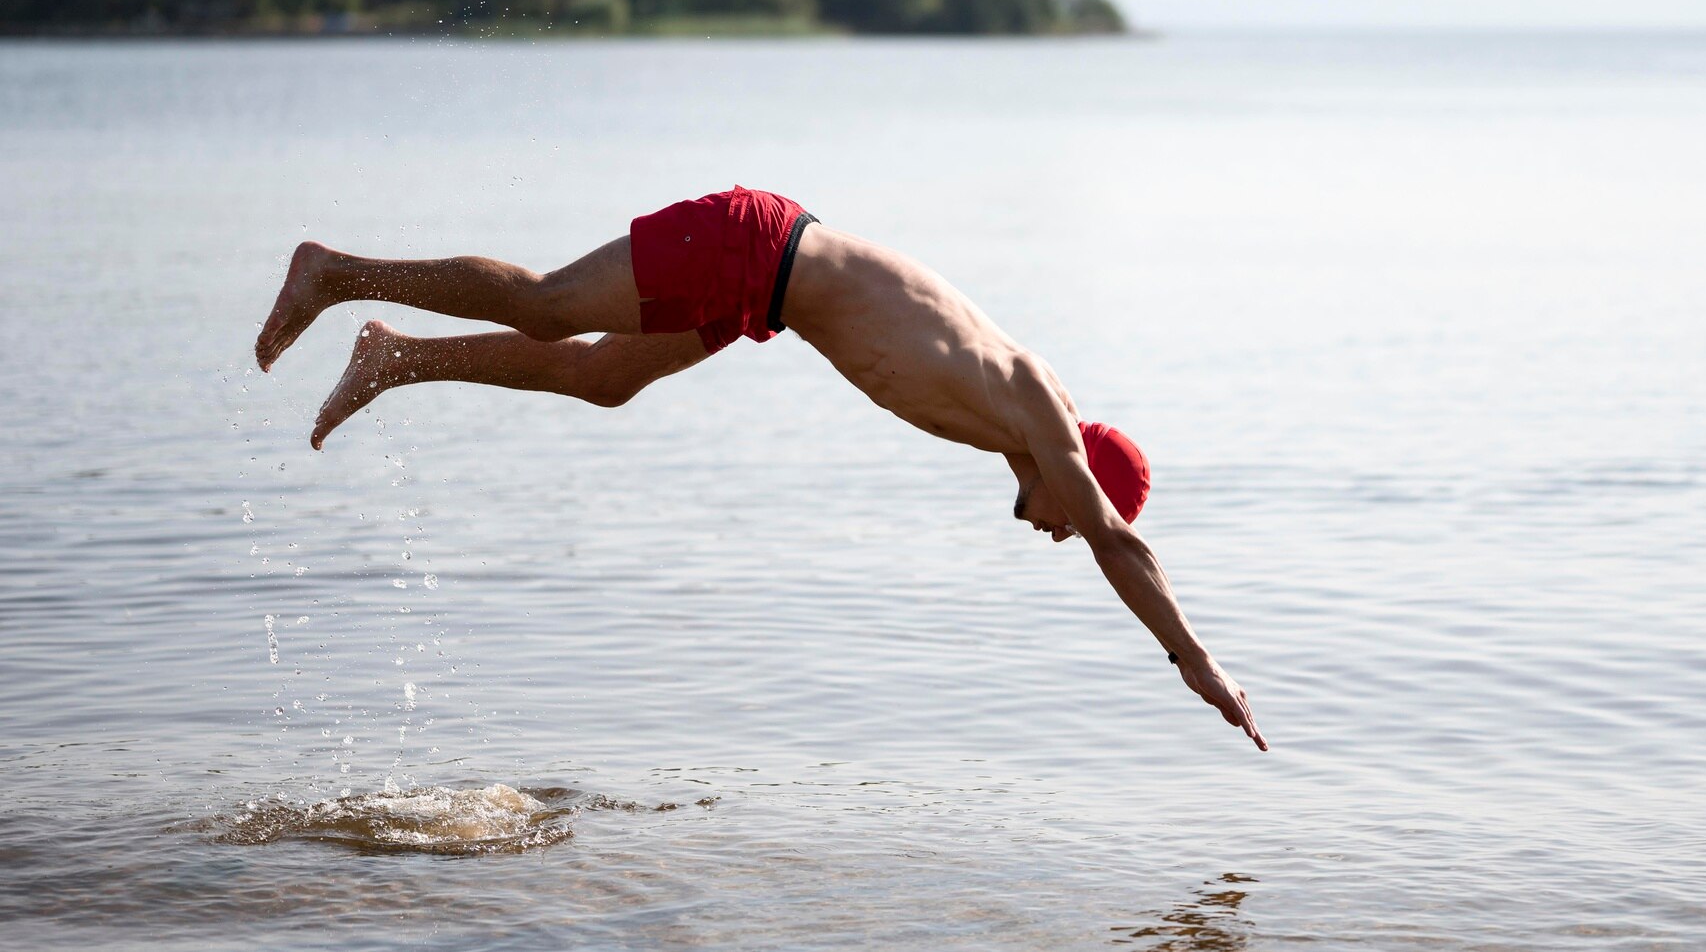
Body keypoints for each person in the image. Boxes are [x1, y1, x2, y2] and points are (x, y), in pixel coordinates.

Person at [256, 185, 1266, 750]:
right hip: (758, 246)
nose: (1055, 528)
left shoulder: (1009, 423)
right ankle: (336, 272)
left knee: (603, 381)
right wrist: (1194, 659)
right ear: (1083, 467)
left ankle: (395, 357)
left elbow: (1094, 523)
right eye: (1068, 513)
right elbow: (1114, 539)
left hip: (765, 292)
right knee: (552, 303)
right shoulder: (1036, 400)